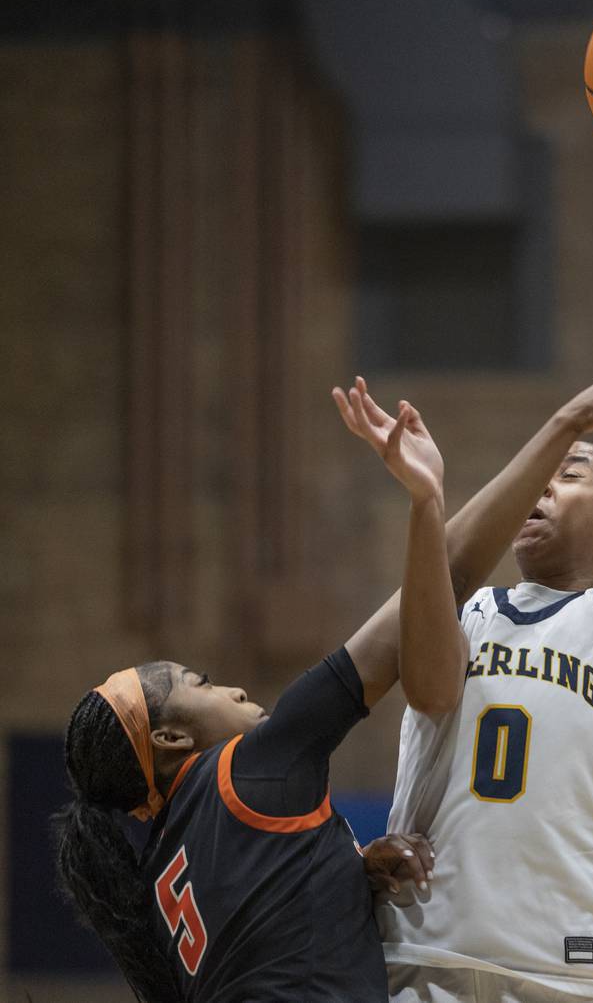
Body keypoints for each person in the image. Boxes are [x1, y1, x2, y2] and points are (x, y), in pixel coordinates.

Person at [335, 146, 593, 1003]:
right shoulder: (468, 608)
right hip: (419, 957)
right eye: (541, 475)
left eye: (574, 473)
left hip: (558, 969)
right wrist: (454, 486)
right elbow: (431, 672)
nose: (545, 487)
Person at [53, 401, 453, 1003]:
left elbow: (276, 938)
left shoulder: (160, 880)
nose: (234, 690)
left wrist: (350, 871)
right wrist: (431, 495)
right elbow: (423, 607)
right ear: (170, 738)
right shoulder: (241, 772)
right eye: (202, 683)